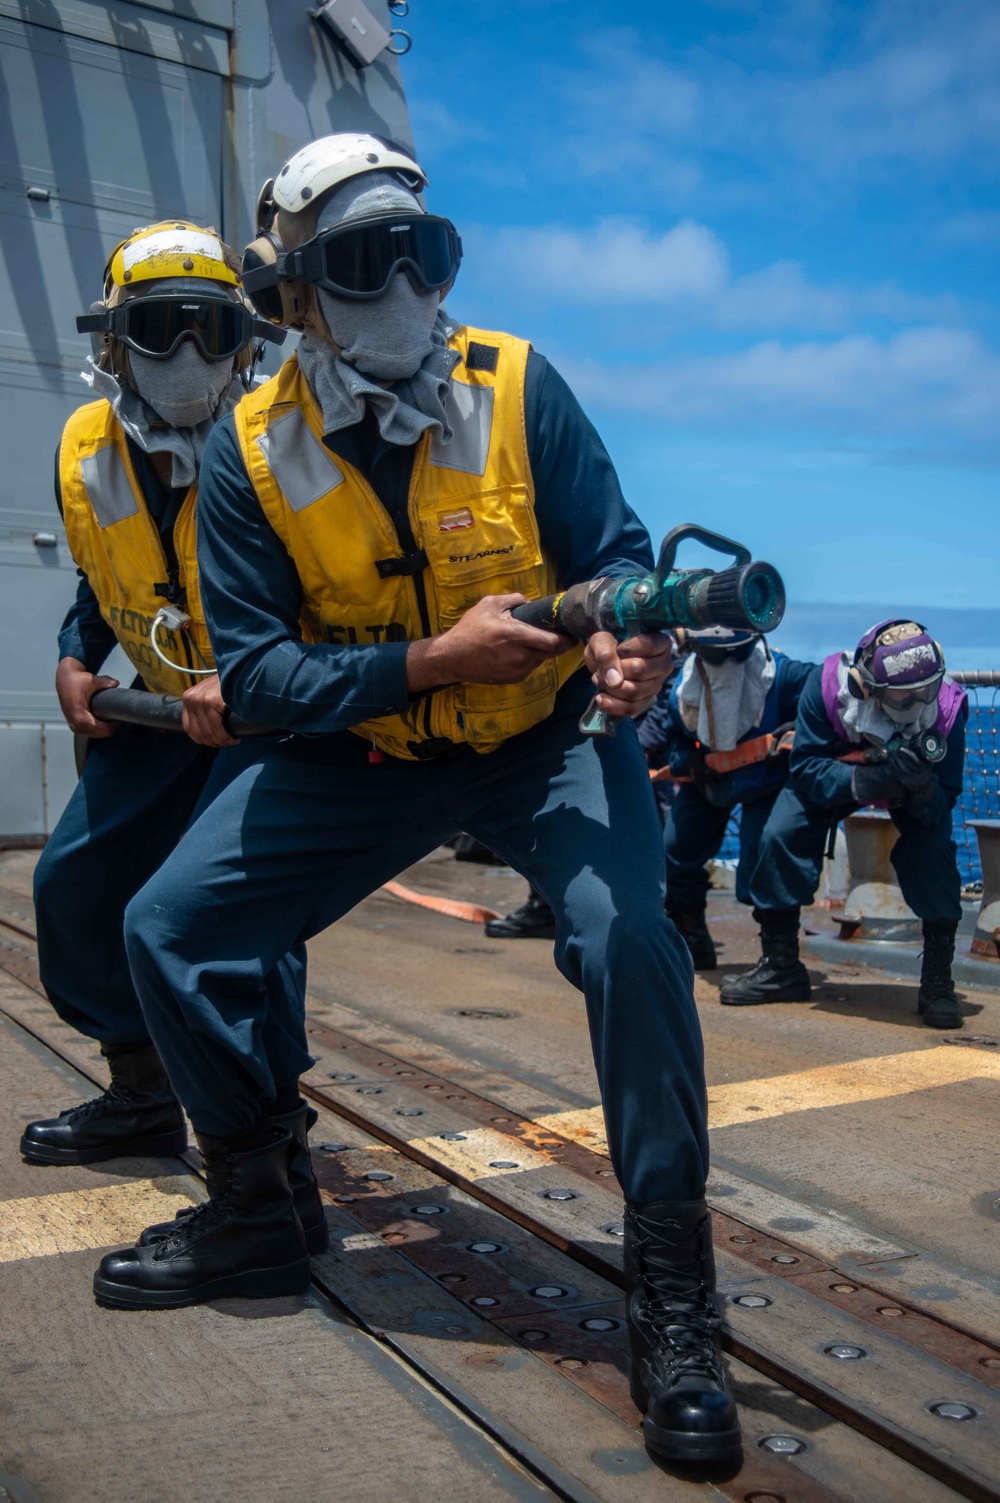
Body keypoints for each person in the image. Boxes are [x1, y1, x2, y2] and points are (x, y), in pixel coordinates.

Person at [99, 134, 743, 1466]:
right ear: (292, 294)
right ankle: (256, 1196)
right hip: (363, 756)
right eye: (358, 258)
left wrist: (633, 644)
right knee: (169, 924)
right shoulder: (251, 455)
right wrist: (428, 662)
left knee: (631, 938)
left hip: (542, 738)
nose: (400, 280)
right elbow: (263, 672)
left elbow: (616, 552)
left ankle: (676, 1286)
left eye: (422, 251)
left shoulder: (521, 389)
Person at [22, 223, 326, 1254]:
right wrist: (77, 652)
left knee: (236, 926)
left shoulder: (289, 438)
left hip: (256, 718)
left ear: (246, 340)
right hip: (155, 713)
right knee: (74, 887)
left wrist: (256, 679)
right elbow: (105, 568)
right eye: (161, 330)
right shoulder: (86, 444)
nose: (190, 357)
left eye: (211, 330)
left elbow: (339, 579)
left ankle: (274, 1155)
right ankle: (141, 1091)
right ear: (114, 344)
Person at [720, 619, 968, 1027]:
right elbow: (804, 768)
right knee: (783, 830)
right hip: (844, 773)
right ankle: (781, 965)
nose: (919, 704)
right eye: (903, 697)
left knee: (934, 849)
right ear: (865, 686)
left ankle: (938, 983)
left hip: (909, 785)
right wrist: (867, 780)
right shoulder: (827, 689)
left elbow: (945, 799)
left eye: (927, 691)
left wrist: (924, 790)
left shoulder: (948, 709)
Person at [639, 630, 814, 968]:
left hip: (767, 780)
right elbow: (674, 737)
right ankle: (692, 942)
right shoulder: (683, 688)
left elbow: (824, 705)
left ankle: (779, 963)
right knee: (675, 849)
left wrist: (799, 727)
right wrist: (685, 763)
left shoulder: (787, 675)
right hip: (706, 777)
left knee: (765, 853)